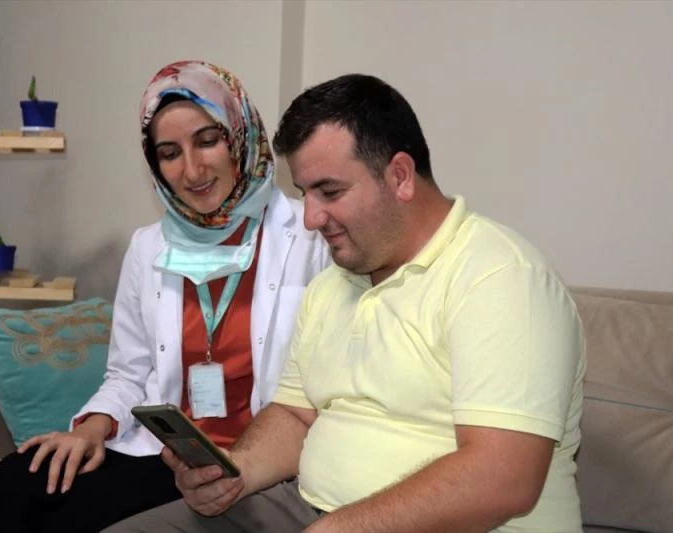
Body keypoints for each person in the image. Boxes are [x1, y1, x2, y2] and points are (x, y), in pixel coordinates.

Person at [104, 73, 587, 533]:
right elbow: (297, 415)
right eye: (305, 194)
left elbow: (502, 479)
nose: (311, 218)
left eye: (329, 192)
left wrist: (339, 527)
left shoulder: (500, 277)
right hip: (311, 511)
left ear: (400, 176)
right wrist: (239, 471)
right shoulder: (333, 284)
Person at [0, 60, 331, 533]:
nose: (192, 170)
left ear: (240, 135)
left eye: (207, 141)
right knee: (20, 481)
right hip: (168, 456)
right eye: (169, 153)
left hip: (257, 463)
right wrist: (92, 427)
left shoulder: (312, 234)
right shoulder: (148, 246)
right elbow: (127, 373)